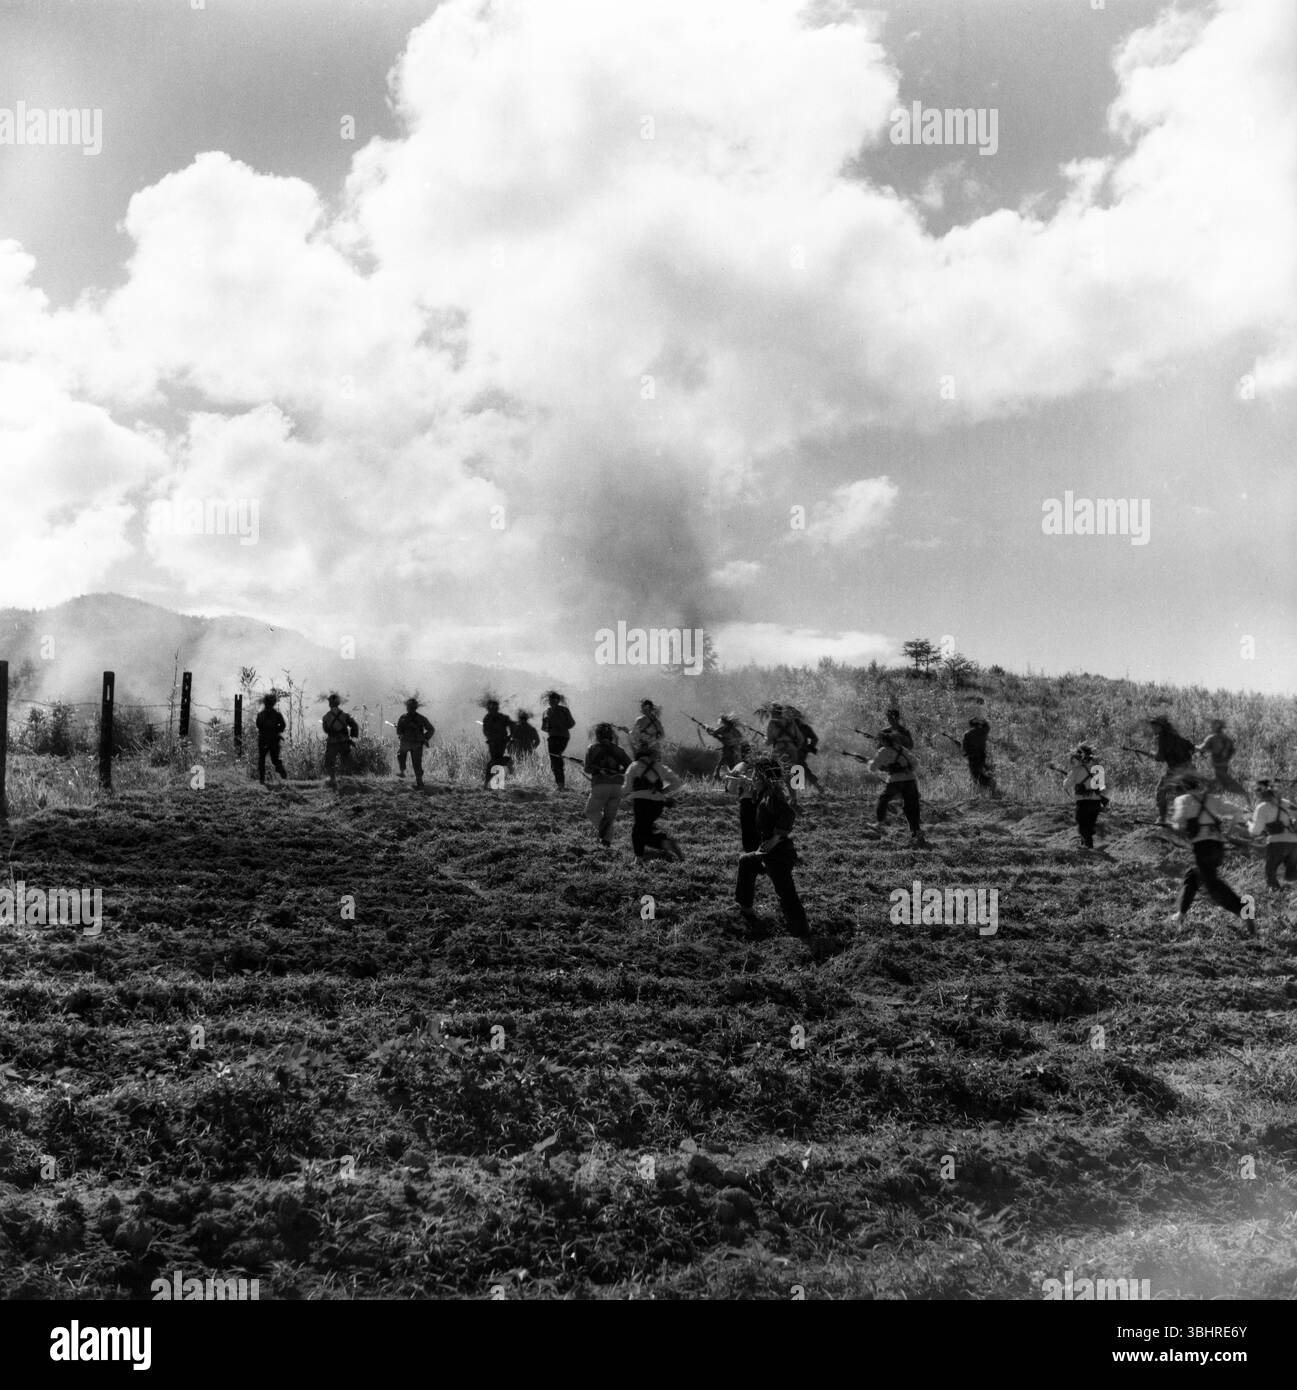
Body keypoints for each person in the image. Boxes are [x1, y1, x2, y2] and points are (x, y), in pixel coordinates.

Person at [735, 757, 809, 938]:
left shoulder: (772, 796)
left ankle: (802, 933)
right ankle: (745, 909)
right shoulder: (765, 793)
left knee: (786, 895)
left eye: (754, 776)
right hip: (767, 852)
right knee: (746, 862)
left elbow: (788, 814)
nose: (751, 779)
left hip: (778, 854)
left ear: (763, 778)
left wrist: (775, 839)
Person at [1168, 772, 1249, 933]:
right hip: (1217, 847)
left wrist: (1171, 825)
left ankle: (1244, 910)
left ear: (1183, 787)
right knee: (1193, 875)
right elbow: (1238, 811)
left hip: (1202, 847)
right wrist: (1229, 831)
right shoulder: (1213, 799)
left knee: (1213, 886)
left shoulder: (1182, 800)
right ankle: (1180, 914)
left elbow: (1178, 826)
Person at [622, 744, 683, 862]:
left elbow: (627, 788)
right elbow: (677, 783)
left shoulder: (634, 766)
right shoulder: (660, 766)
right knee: (643, 829)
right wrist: (663, 792)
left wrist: (622, 795)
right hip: (657, 803)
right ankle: (641, 857)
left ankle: (663, 844)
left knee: (638, 831)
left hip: (641, 802)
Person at [868, 729, 926, 846]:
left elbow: (873, 768)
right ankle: (916, 831)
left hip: (895, 781)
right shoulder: (902, 749)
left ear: (884, 741)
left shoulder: (883, 751)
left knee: (883, 799)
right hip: (910, 780)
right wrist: (906, 770)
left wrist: (869, 763)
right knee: (911, 806)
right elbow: (915, 763)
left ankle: (879, 823)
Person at [583, 722, 631, 845]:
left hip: (600, 785)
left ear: (597, 735)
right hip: (617, 787)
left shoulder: (592, 748)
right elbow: (630, 767)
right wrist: (618, 771)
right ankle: (606, 843)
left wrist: (598, 769)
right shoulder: (619, 750)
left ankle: (606, 834)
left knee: (592, 811)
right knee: (609, 817)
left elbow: (587, 769)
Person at [1147, 715, 1197, 825]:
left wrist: (1152, 754)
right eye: (1153, 726)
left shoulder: (1163, 737)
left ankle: (1162, 818)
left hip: (1176, 770)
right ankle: (1188, 821)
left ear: (1162, 727)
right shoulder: (1175, 736)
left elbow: (1160, 757)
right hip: (1189, 769)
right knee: (1182, 794)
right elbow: (1192, 748)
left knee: (1161, 791)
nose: (1153, 728)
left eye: (1155, 726)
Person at [1249, 779, 1297, 892]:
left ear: (1260, 791)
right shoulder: (1284, 802)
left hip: (1277, 843)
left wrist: (1249, 824)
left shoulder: (1262, 807)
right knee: (1292, 871)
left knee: (1270, 872)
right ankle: (1292, 896)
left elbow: (1255, 831)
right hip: (1294, 842)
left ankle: (1277, 896)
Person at [1063, 742, 1106, 848]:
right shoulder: (1098, 768)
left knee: (1083, 827)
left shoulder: (1077, 769)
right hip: (1096, 803)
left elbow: (1066, 785)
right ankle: (1087, 846)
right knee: (1089, 826)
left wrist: (1070, 775)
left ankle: (1088, 849)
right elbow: (1101, 786)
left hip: (1083, 803)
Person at [726, 741, 762, 852]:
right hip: (750, 803)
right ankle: (752, 857)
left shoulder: (762, 766)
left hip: (761, 802)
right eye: (748, 752)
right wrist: (734, 778)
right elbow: (731, 790)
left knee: (757, 831)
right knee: (750, 832)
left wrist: (747, 780)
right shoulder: (740, 767)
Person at [1198, 720, 1247, 799]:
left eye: (1212, 725)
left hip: (1216, 768)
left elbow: (1201, 748)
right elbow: (1232, 751)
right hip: (1224, 767)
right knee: (1224, 785)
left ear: (1215, 727)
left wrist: (1190, 746)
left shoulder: (1212, 738)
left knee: (1212, 786)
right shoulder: (1227, 739)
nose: (1211, 727)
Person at [321, 693, 359, 790]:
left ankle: (332, 779)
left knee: (329, 762)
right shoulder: (345, 715)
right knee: (346, 761)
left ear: (330, 704)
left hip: (332, 743)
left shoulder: (326, 717)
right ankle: (347, 780)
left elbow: (326, 730)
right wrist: (352, 737)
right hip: (345, 742)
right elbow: (354, 726)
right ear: (338, 703)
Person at [395, 698, 434, 788]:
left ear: (414, 708)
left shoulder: (419, 718)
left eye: (411, 707)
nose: (410, 709)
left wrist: (424, 738)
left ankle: (419, 781)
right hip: (408, 743)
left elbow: (431, 729)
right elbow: (399, 731)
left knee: (416, 763)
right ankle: (403, 771)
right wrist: (401, 735)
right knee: (401, 755)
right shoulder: (404, 718)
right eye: (409, 707)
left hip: (416, 744)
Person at [541, 691, 576, 788]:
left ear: (558, 701)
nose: (551, 701)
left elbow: (572, 723)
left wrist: (561, 726)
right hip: (552, 738)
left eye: (554, 700)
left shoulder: (564, 710)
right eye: (550, 700)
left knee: (556, 759)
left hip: (562, 737)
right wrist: (549, 727)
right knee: (554, 760)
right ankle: (560, 784)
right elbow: (543, 727)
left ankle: (561, 784)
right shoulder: (545, 712)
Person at [255, 693, 287, 784]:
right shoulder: (277, 714)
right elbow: (283, 725)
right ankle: (280, 768)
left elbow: (258, 725)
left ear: (265, 703)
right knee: (275, 759)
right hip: (274, 739)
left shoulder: (260, 714)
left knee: (262, 759)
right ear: (273, 703)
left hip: (263, 739)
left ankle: (262, 779)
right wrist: (276, 731)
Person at [961, 718, 998, 795]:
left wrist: (965, 752)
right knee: (980, 774)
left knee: (976, 776)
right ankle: (986, 790)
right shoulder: (983, 732)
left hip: (973, 759)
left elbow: (964, 750)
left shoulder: (967, 734)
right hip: (982, 757)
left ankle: (989, 785)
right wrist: (981, 720)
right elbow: (987, 725)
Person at [481, 699, 514, 786]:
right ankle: (491, 781)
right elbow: (486, 731)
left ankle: (490, 782)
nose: (493, 709)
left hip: (500, 742)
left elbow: (512, 726)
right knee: (495, 760)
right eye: (491, 707)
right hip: (494, 742)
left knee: (495, 761)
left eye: (494, 707)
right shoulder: (488, 718)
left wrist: (509, 737)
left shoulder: (501, 717)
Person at [788, 706, 822, 790]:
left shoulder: (803, 728)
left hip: (800, 752)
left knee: (799, 767)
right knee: (798, 767)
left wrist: (809, 747)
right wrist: (810, 747)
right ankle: (810, 787)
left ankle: (817, 787)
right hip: (796, 751)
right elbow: (815, 739)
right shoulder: (797, 728)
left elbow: (815, 739)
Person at [764, 702, 802, 772]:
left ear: (774, 712)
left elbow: (769, 741)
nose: (770, 714)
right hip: (792, 750)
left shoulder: (772, 723)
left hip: (780, 750)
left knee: (777, 772)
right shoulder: (790, 721)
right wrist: (795, 748)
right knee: (793, 773)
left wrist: (765, 741)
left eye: (771, 712)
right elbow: (800, 739)